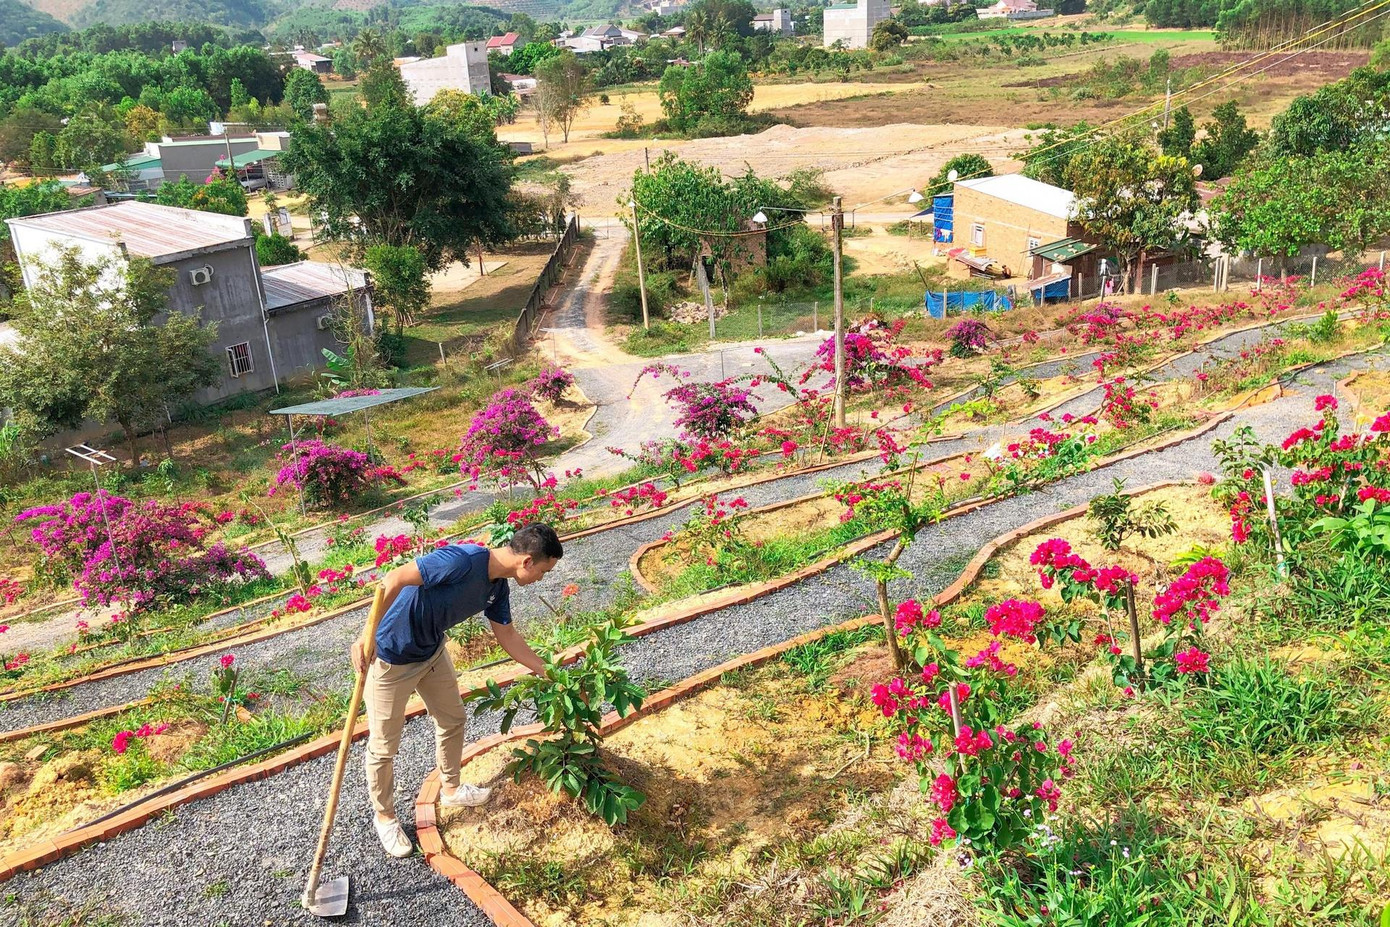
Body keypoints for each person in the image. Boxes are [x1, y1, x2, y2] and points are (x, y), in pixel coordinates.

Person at [351, 523, 562, 858]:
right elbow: (393, 579)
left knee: (453, 719)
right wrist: (368, 633)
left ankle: (450, 789)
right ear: (526, 562)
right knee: (383, 746)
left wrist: (552, 673)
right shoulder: (462, 560)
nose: (541, 578)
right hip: (391, 659)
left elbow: (508, 638)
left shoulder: (497, 589)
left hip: (432, 653)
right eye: (543, 570)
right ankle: (385, 817)